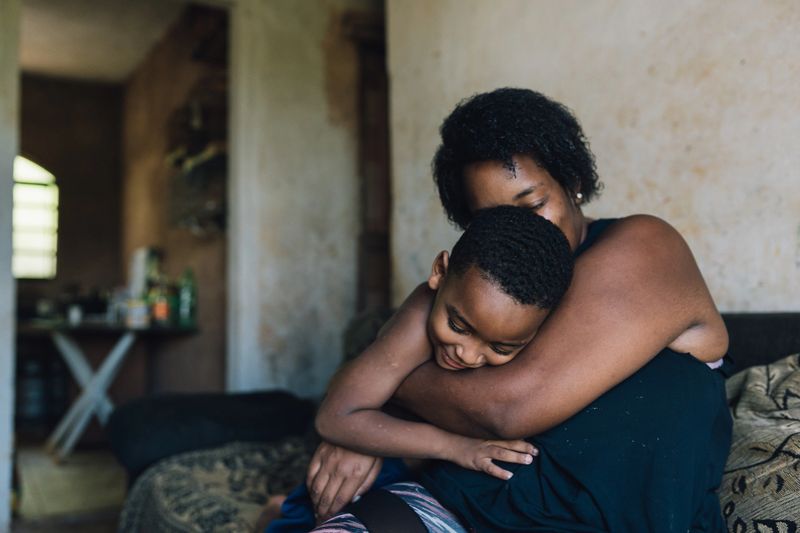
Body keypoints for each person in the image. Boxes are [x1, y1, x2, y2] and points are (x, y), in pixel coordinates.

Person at [303, 88, 732, 533]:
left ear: (573, 181)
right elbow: (363, 393)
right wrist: (362, 419)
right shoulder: (478, 290)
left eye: (532, 205)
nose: (521, 231)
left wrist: (375, 399)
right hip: (459, 501)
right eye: (491, 219)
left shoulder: (644, 246)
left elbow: (508, 408)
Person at [264, 206, 573, 531]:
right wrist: (454, 447)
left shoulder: (531, 337)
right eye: (458, 325)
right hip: (384, 456)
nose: (467, 354)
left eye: (499, 348)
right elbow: (335, 416)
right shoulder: (418, 316)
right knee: (314, 514)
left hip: (427, 481)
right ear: (440, 271)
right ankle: (277, 514)